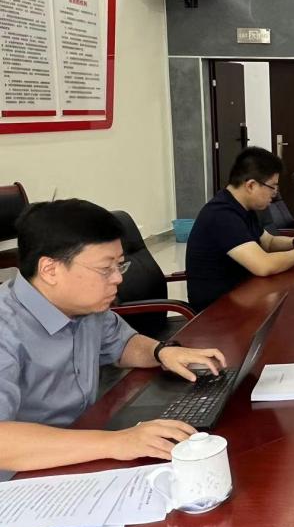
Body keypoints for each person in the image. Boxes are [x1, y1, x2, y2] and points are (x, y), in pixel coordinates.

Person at [0, 199, 228, 480]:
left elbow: (122, 344)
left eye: (120, 266)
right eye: (105, 269)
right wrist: (118, 442)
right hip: (21, 477)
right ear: (50, 270)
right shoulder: (5, 328)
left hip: (79, 450)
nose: (118, 279)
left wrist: (162, 352)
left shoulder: (86, 306)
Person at [186, 147, 294, 311]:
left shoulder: (243, 207)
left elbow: (268, 242)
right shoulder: (222, 215)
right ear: (251, 185)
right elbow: (263, 265)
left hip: (245, 293)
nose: (275, 194)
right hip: (217, 310)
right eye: (272, 187)